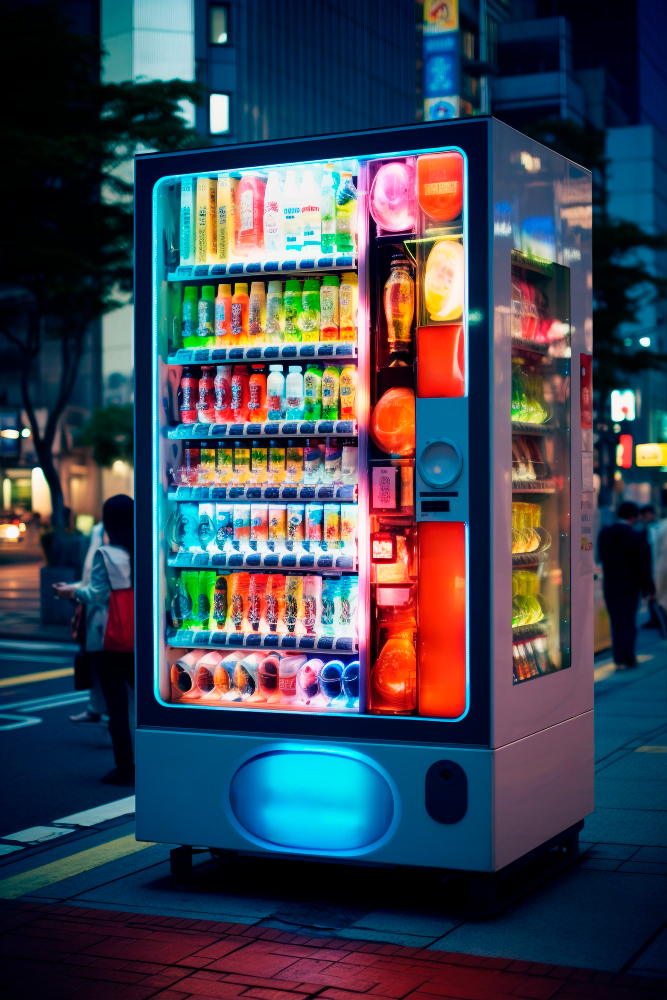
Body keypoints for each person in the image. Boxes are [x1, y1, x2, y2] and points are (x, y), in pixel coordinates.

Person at [54, 495, 135, 785]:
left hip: (108, 637)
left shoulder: (107, 554)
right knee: (144, 701)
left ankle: (126, 768)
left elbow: (95, 594)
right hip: (138, 637)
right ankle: (155, 757)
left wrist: (69, 593)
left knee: (116, 707)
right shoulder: (143, 550)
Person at [598, 501, 654, 670]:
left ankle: (618, 659)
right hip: (630, 586)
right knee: (629, 622)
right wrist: (648, 589)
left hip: (610, 585)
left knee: (616, 622)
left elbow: (601, 557)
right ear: (634, 516)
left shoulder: (605, 533)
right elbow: (641, 565)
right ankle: (628, 658)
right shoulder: (634, 535)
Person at [69, 520, 109, 724]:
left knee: (105, 666)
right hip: (95, 615)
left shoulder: (109, 552)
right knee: (96, 663)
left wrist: (74, 591)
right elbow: (91, 580)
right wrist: (75, 589)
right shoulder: (101, 533)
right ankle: (97, 708)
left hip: (105, 618)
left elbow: (98, 589)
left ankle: (105, 711)